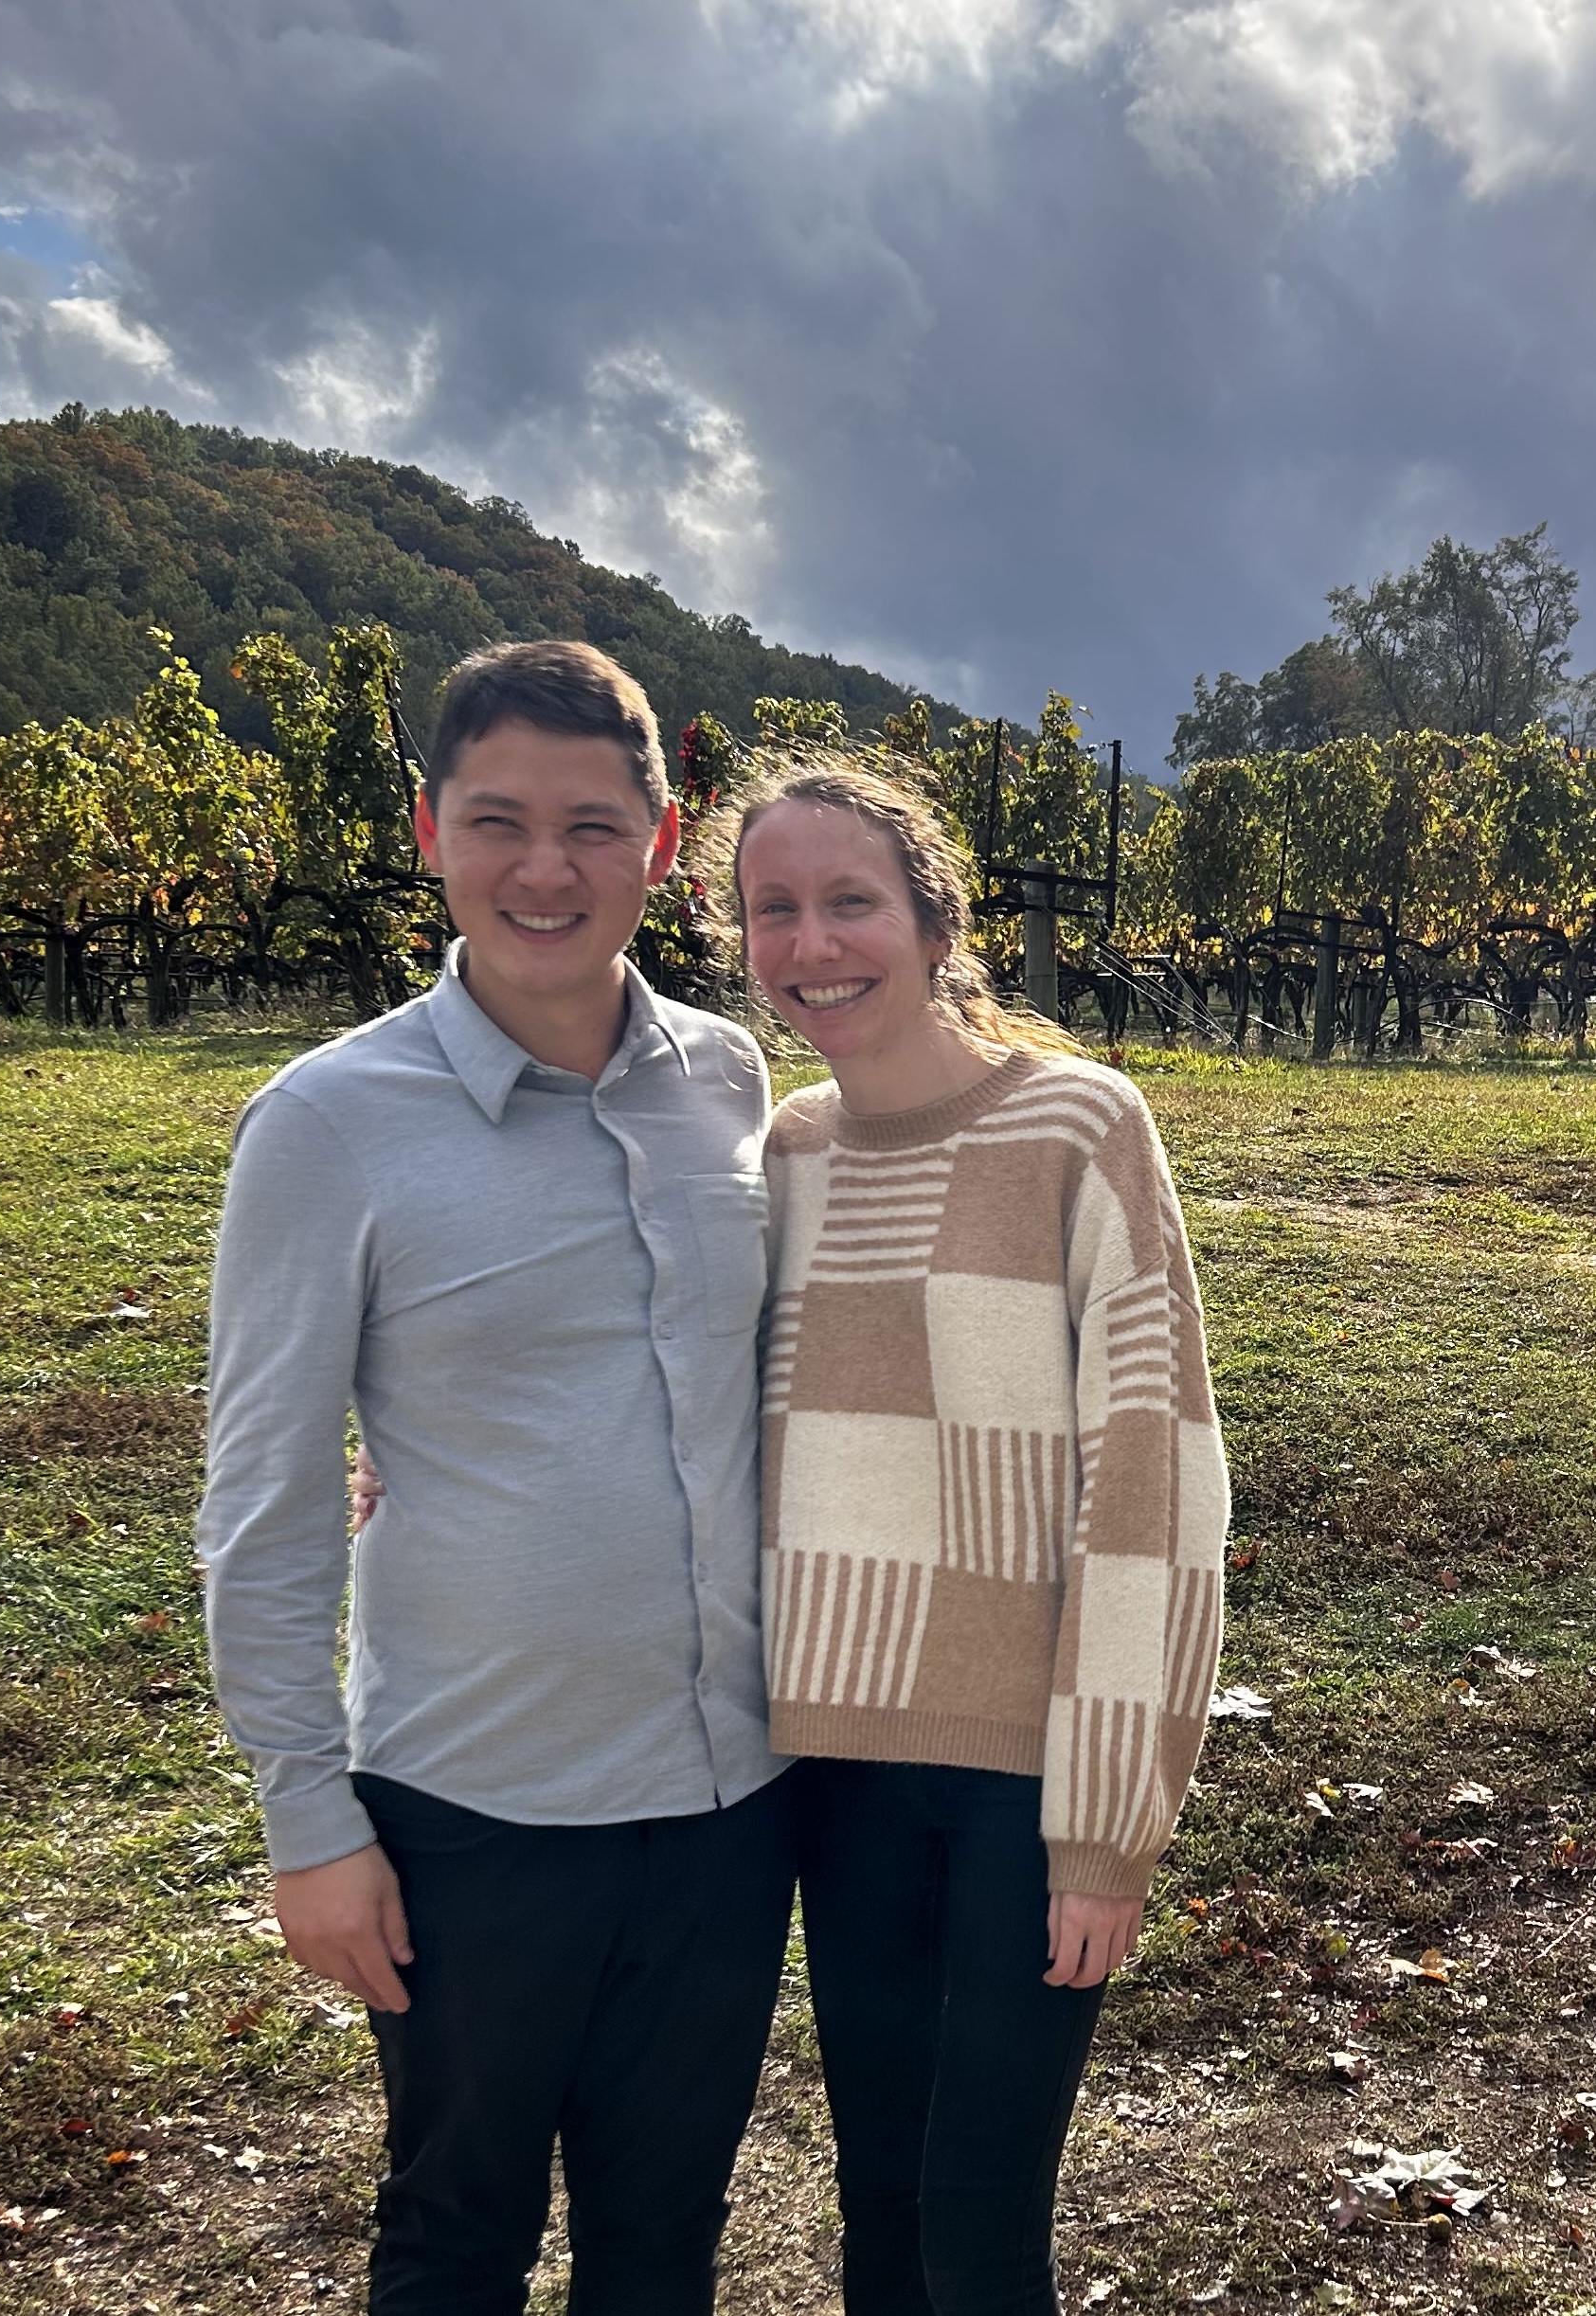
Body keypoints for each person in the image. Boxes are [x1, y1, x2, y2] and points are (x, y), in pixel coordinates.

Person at [198, 639, 795, 2316]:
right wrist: (307, 1816)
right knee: (456, 2238)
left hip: (733, 1802)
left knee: (665, 2241)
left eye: (595, 825)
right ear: (428, 829)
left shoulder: (730, 1084)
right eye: (500, 821)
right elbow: (266, 1495)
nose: (548, 869)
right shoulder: (326, 1125)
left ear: (663, 845)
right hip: (476, 1811)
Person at [715, 754, 1229, 2316]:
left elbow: (1154, 1482)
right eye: (772, 909)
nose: (814, 943)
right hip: (828, 1777)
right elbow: (690, 1404)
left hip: (1024, 1788)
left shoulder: (1082, 1127)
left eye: (851, 900)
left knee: (980, 2230)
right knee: (878, 2209)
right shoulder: (782, 1157)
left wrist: (1106, 1825)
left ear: (937, 922)